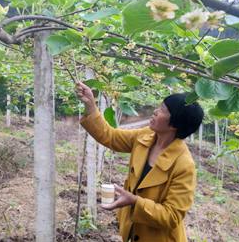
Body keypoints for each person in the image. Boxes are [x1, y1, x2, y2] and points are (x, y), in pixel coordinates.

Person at [75, 81, 204, 242]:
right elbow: (111, 137)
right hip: (132, 231)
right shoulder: (146, 136)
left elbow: (172, 216)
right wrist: (91, 107)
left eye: (163, 110)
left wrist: (135, 201)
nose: (156, 112)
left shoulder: (184, 165)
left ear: (175, 124)